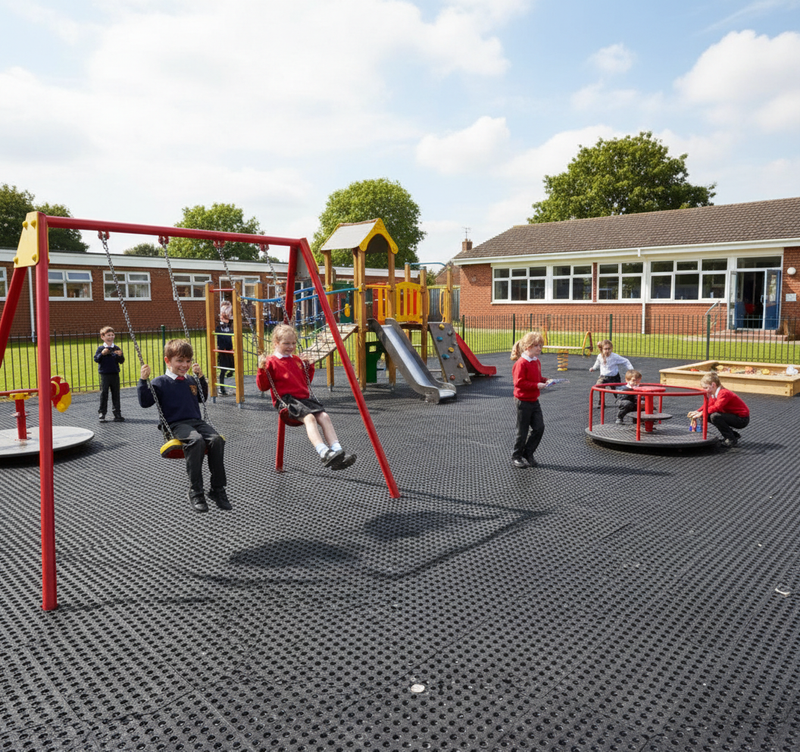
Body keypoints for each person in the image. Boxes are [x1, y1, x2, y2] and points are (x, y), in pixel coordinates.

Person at [138, 339, 231, 512]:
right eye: (179, 361)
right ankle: (196, 491)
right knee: (196, 441)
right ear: (168, 360)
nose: (185, 365)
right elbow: (145, 402)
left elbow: (202, 398)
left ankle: (218, 489)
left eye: (188, 361)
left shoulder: (190, 380)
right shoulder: (160, 382)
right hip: (175, 424)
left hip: (197, 422)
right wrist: (143, 381)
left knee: (217, 440)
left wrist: (201, 378)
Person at [256, 323, 356, 470]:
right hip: (287, 401)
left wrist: (309, 365)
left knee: (324, 416)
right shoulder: (271, 362)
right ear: (276, 343)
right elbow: (263, 386)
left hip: (304, 400)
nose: (290, 346)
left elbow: (306, 380)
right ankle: (323, 452)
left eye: (293, 343)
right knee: (309, 418)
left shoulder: (296, 360)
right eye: (286, 343)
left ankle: (337, 450)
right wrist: (261, 369)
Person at [510, 331, 550, 469]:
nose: (539, 348)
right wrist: (536, 385)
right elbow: (519, 383)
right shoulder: (521, 363)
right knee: (522, 430)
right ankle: (516, 456)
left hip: (534, 400)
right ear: (528, 347)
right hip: (523, 401)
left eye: (540, 345)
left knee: (539, 428)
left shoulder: (536, 361)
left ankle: (528, 453)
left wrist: (546, 380)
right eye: (536, 345)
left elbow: (537, 378)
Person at [688, 371, 750, 447]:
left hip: (741, 419)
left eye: (706, 388)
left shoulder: (723, 393)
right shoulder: (714, 394)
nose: (705, 390)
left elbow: (717, 407)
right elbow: (709, 404)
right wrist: (698, 411)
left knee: (715, 416)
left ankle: (730, 439)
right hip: (732, 415)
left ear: (713, 385)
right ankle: (732, 435)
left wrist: (701, 412)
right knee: (707, 415)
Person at [93, 325, 125, 422]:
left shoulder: (116, 348)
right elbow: (96, 359)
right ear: (103, 337)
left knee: (116, 394)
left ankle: (117, 413)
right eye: (108, 335)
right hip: (105, 374)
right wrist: (102, 354)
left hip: (115, 374)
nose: (110, 337)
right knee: (104, 393)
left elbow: (121, 361)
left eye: (112, 335)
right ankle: (102, 413)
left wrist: (120, 355)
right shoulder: (101, 348)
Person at [589, 339, 633, 406]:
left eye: (609, 349)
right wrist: (594, 368)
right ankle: (602, 402)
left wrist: (631, 370)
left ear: (611, 348)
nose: (607, 351)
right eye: (605, 349)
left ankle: (621, 402)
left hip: (614, 376)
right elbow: (597, 363)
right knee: (599, 386)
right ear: (602, 349)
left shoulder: (615, 357)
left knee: (616, 391)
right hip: (604, 376)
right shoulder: (600, 356)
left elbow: (626, 361)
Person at [216, 301, 234, 396]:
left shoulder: (230, 325)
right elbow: (220, 337)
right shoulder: (219, 327)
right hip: (222, 351)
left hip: (229, 350)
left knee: (233, 367)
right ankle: (221, 389)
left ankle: (230, 373)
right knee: (223, 370)